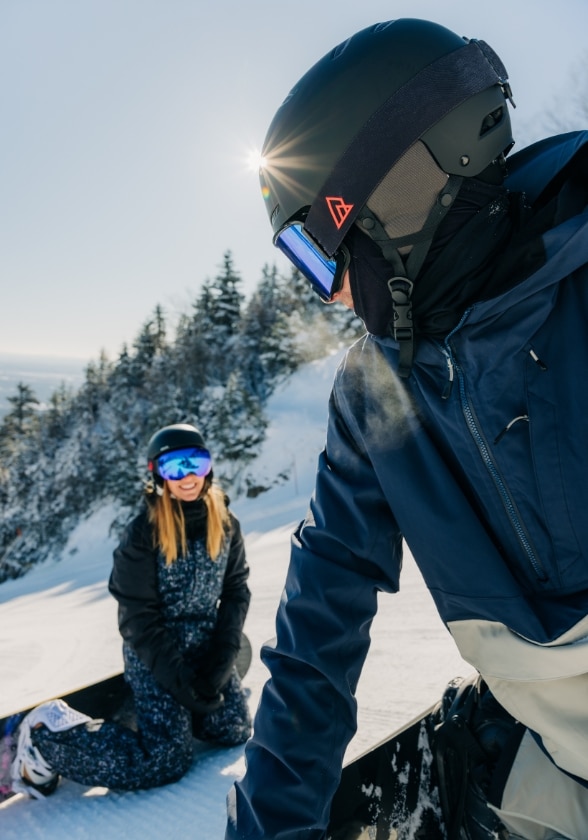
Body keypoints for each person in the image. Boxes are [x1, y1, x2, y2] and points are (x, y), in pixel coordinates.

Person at [225, 18, 588, 840]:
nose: (325, 295)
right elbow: (317, 636)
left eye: (316, 255)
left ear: (395, 193)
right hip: (554, 751)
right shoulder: (374, 394)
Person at [11, 423, 251, 798]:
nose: (188, 477)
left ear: (209, 468)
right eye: (175, 467)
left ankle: (174, 715)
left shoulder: (226, 523)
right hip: (155, 658)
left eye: (197, 463)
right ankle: (45, 740)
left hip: (205, 649)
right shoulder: (144, 532)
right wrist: (182, 686)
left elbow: (236, 591)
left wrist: (221, 661)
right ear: (158, 475)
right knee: (166, 761)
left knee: (236, 728)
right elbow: (139, 620)